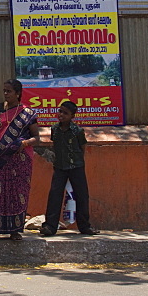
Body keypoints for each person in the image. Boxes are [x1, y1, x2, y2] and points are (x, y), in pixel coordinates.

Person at [0, 79, 40, 242]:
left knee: (17, 194)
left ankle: (15, 230)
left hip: (20, 160)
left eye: (9, 91)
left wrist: (24, 143)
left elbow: (37, 137)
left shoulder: (27, 113)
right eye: (4, 91)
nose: (6, 94)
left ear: (18, 93)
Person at [40, 101, 99, 237]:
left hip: (76, 166)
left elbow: (82, 147)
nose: (61, 115)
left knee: (82, 195)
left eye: (65, 113)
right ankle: (50, 226)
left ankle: (85, 226)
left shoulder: (77, 131)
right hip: (60, 166)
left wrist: (76, 162)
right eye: (60, 111)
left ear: (72, 116)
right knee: (55, 195)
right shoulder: (55, 129)